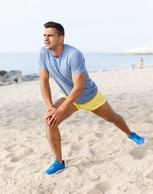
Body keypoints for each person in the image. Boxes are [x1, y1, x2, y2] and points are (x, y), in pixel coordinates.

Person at [39, 21, 144, 175]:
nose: (46, 39)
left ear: (61, 38)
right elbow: (43, 81)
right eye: (44, 35)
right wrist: (51, 108)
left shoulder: (73, 55)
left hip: (89, 96)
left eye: (50, 35)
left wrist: (60, 109)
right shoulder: (43, 53)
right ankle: (59, 162)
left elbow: (78, 88)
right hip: (68, 96)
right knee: (50, 121)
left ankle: (130, 134)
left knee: (113, 118)